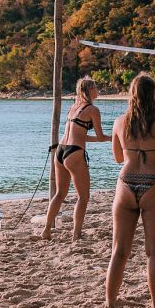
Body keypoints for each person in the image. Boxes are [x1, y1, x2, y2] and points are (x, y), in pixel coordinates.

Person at [105, 73, 155, 308]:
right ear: (153, 95)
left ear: (131, 94)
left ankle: (110, 303)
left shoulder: (120, 121)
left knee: (119, 250)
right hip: (152, 183)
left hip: (126, 183)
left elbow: (118, 157)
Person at [42, 76, 111, 241]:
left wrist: (107, 139)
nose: (98, 90)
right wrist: (113, 138)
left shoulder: (73, 107)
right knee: (83, 197)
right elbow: (100, 137)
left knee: (59, 194)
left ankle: (46, 230)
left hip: (61, 151)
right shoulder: (93, 110)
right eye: (95, 87)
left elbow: (81, 136)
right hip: (74, 153)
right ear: (89, 90)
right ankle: (76, 234)